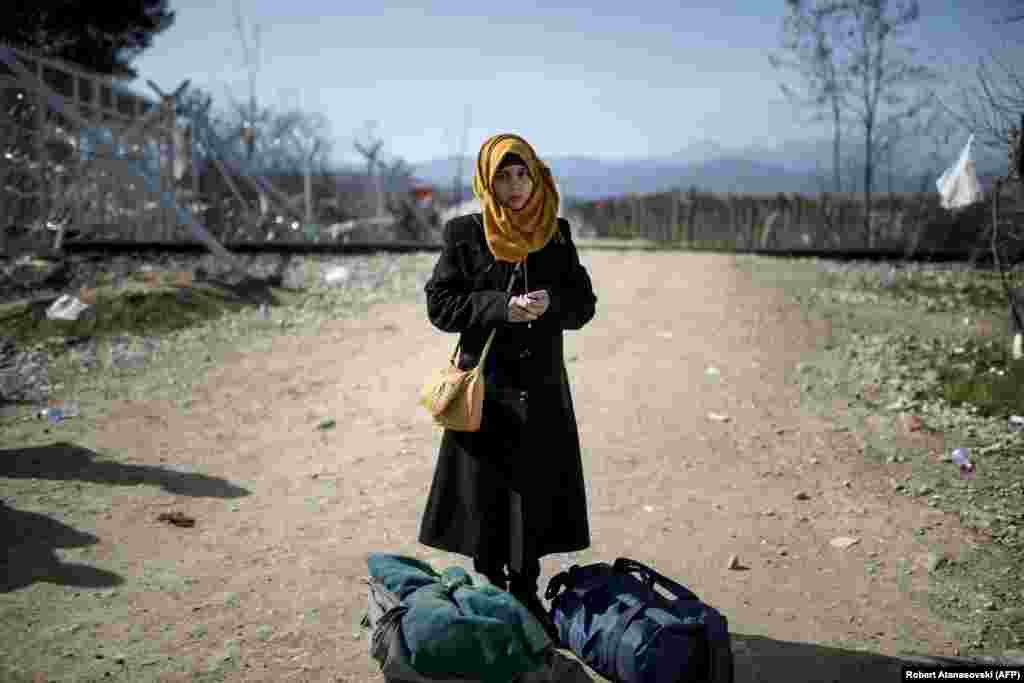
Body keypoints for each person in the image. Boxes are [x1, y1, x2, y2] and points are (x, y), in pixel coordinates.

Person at [418, 133, 597, 638]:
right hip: (487, 391)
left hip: (540, 389)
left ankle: (526, 591)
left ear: (537, 177)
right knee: (488, 496)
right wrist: (502, 306)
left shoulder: (556, 233)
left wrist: (552, 305)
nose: (516, 186)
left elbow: (583, 305)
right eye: (504, 175)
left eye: (524, 175)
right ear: (487, 180)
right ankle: (491, 591)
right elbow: (441, 306)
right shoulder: (464, 234)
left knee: (535, 496)